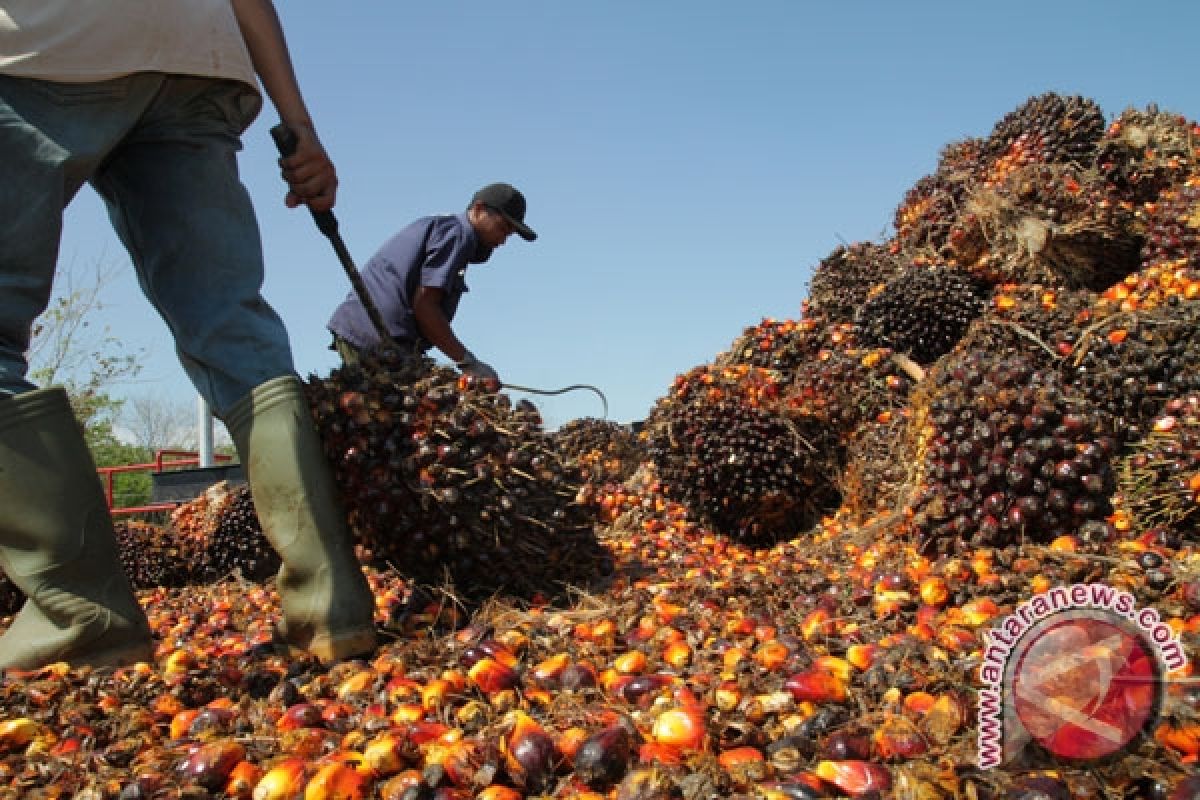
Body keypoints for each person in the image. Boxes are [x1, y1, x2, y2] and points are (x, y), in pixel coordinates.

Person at [0, 0, 377, 671]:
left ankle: (80, 617)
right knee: (234, 328)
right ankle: (331, 602)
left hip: (43, 46)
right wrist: (301, 125)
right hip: (197, 60)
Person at [326, 183, 537, 382]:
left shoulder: (445, 228)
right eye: (502, 228)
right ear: (479, 209)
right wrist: (467, 361)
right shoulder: (457, 235)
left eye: (509, 235)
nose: (502, 240)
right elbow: (425, 306)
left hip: (371, 333)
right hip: (375, 336)